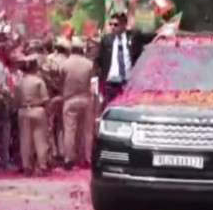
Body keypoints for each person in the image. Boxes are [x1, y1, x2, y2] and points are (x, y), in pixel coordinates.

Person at [96, 13, 150, 105]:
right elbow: (99, 60)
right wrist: (95, 79)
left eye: (116, 24)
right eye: (111, 24)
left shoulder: (133, 37)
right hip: (112, 84)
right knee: (111, 108)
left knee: (129, 108)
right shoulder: (106, 40)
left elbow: (151, 37)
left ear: (124, 24)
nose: (112, 27)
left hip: (129, 83)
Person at [60, 38, 95, 169]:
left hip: (70, 100)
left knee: (70, 130)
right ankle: (87, 158)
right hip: (86, 99)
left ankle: (69, 158)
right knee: (87, 131)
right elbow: (93, 84)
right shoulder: (89, 64)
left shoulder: (65, 64)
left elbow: (60, 81)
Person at [15, 56, 51, 176]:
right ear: (35, 67)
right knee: (40, 140)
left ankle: (27, 167)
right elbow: (45, 99)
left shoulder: (20, 82)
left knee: (25, 140)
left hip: (23, 111)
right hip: (38, 110)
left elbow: (16, 100)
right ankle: (42, 165)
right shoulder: (39, 81)